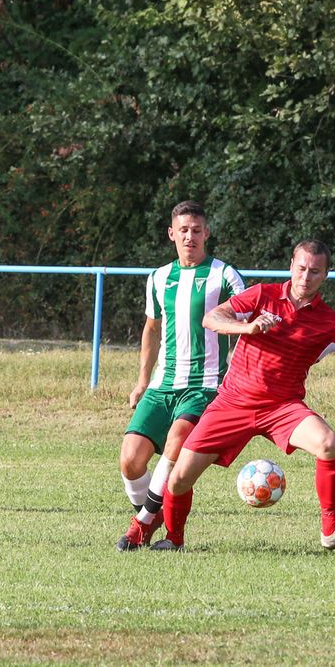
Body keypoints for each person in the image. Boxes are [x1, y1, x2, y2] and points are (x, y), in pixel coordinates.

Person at [148, 239, 335, 552]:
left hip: (283, 407)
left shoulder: (331, 322)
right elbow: (211, 318)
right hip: (232, 402)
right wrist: (248, 328)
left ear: (326, 276)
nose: (306, 276)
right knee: (179, 479)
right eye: (302, 268)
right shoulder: (262, 295)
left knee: (328, 444)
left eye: (315, 271)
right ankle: (173, 540)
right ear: (291, 266)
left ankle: (331, 529)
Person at [115, 201, 245, 550]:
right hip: (162, 385)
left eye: (197, 230)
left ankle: (141, 524)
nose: (190, 236)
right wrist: (142, 381)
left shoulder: (224, 275)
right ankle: (154, 513)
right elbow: (152, 329)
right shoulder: (158, 277)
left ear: (207, 233)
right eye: (183, 230)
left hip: (204, 387)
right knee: (130, 460)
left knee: (176, 442)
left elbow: (244, 326)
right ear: (172, 233)